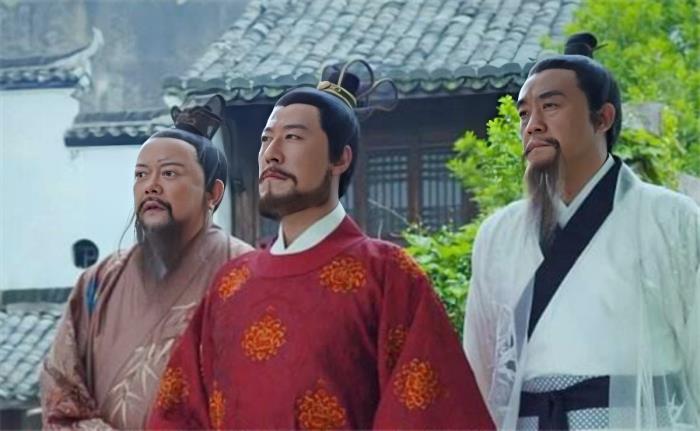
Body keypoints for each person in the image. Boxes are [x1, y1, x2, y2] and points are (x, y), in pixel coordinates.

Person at [147, 61, 494, 430]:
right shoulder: (230, 284)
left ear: (340, 158)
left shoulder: (387, 274)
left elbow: (430, 411)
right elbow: (178, 411)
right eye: (266, 139)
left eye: (293, 137)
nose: (272, 153)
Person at [463, 33, 699, 430]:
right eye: (524, 114)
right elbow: (479, 369)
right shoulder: (498, 236)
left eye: (551, 106)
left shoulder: (671, 219)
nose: (532, 126)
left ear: (602, 118)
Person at [40, 96, 253, 429]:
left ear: (213, 193)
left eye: (169, 173)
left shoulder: (248, 276)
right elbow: (61, 390)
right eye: (141, 175)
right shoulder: (98, 281)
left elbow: (263, 391)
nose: (151, 186)